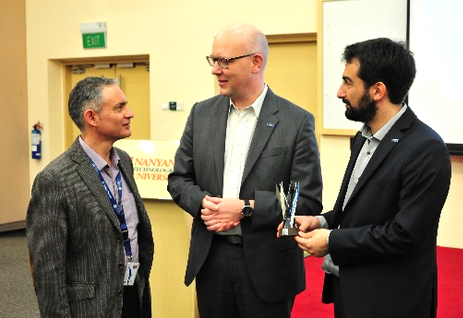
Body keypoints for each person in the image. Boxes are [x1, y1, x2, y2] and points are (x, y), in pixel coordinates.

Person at [167, 23, 323, 318]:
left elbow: (307, 201)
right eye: (213, 60)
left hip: (269, 265)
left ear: (256, 62)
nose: (216, 69)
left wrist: (246, 208)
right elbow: (179, 179)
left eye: (225, 61)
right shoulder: (202, 114)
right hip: (212, 261)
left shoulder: (296, 121)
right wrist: (203, 202)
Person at [291, 38, 452, 318]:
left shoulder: (426, 149)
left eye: (348, 82)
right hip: (350, 289)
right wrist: (323, 220)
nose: (340, 92)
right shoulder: (363, 137)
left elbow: (403, 235)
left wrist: (331, 240)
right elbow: (360, 209)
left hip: (392, 300)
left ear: (378, 90)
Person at [26, 76, 154, 318]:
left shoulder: (124, 161)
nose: (130, 113)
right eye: (119, 107)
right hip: (90, 308)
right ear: (91, 118)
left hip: (132, 295)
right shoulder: (54, 179)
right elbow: (48, 271)